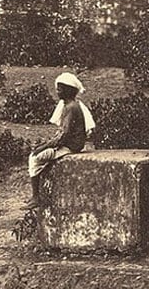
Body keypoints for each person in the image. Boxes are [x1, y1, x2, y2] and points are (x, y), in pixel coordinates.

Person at [23, 72, 95, 209]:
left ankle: (36, 197)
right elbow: (62, 133)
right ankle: (38, 194)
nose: (57, 92)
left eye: (60, 89)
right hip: (71, 144)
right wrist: (46, 144)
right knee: (39, 154)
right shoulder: (71, 105)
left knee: (34, 158)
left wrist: (44, 147)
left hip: (70, 147)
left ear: (68, 90)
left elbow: (64, 135)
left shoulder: (71, 107)